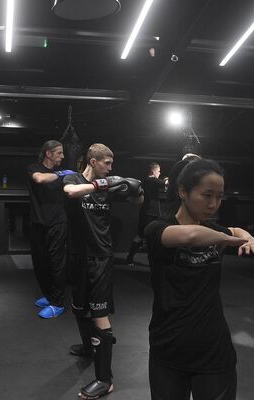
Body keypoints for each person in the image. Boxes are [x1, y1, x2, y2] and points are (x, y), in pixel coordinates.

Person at [145, 158, 254, 400]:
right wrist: (231, 240)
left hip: (214, 349)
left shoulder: (215, 232)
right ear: (182, 191)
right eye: (207, 195)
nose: (213, 204)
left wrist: (248, 236)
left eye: (219, 196)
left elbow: (235, 230)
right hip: (169, 349)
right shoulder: (157, 228)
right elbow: (190, 235)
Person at [63, 143, 143, 399]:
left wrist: (135, 187)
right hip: (77, 256)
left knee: (99, 314)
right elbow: (71, 192)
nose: (110, 168)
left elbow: (138, 199)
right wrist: (103, 185)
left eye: (111, 164)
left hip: (100, 257)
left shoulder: (110, 184)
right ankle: (88, 347)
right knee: (78, 309)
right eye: (106, 163)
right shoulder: (75, 178)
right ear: (93, 161)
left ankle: (104, 380)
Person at [27, 140, 75, 319]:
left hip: (58, 222)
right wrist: (62, 173)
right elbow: (39, 179)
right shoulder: (34, 168)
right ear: (48, 153)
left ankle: (58, 302)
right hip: (38, 222)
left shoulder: (64, 175)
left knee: (57, 263)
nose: (63, 156)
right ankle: (48, 295)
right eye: (59, 153)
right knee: (40, 263)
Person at [126, 162, 168, 265]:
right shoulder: (150, 180)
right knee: (142, 236)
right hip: (148, 213)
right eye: (158, 171)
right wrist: (168, 179)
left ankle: (137, 259)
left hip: (151, 212)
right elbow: (165, 183)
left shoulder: (149, 181)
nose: (159, 173)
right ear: (153, 171)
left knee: (150, 236)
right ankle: (130, 258)